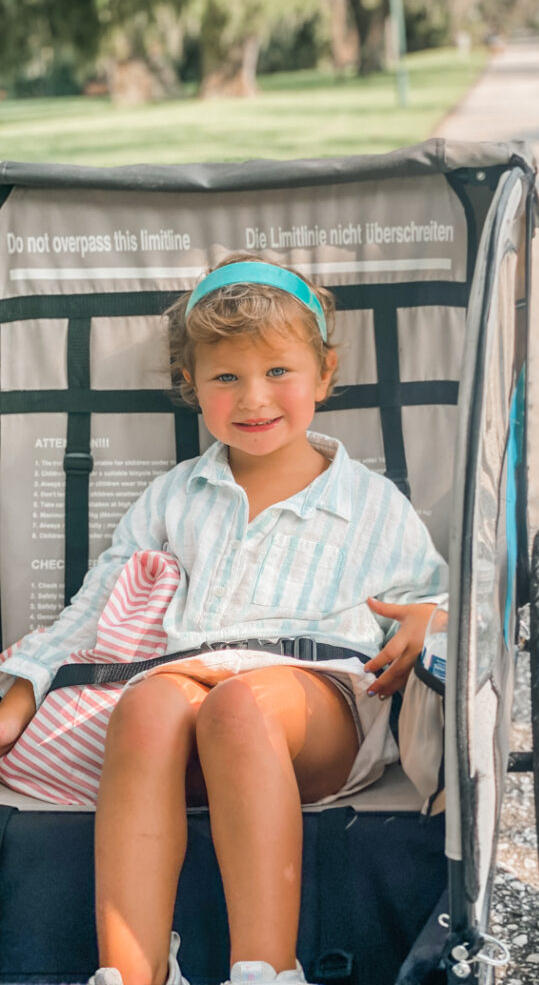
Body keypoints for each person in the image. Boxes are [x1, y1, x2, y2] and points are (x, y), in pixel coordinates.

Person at [0, 253, 448, 985]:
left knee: (241, 706)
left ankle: (266, 970)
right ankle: (130, 973)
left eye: (278, 372)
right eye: (226, 377)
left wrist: (433, 617)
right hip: (184, 701)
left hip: (317, 707)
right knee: (145, 705)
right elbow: (95, 603)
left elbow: (440, 595)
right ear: (194, 386)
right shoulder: (176, 497)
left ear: (324, 376)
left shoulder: (372, 504)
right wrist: (23, 687)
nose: (254, 397)